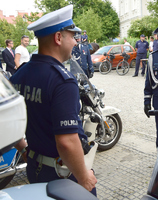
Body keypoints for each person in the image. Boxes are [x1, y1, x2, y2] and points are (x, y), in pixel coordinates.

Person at [10, 5, 97, 195]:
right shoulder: (62, 81)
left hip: (34, 168)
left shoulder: (19, 75)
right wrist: (84, 177)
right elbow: (66, 141)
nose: (75, 43)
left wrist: (25, 150)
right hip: (63, 175)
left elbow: (8, 123)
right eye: (72, 37)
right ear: (58, 38)